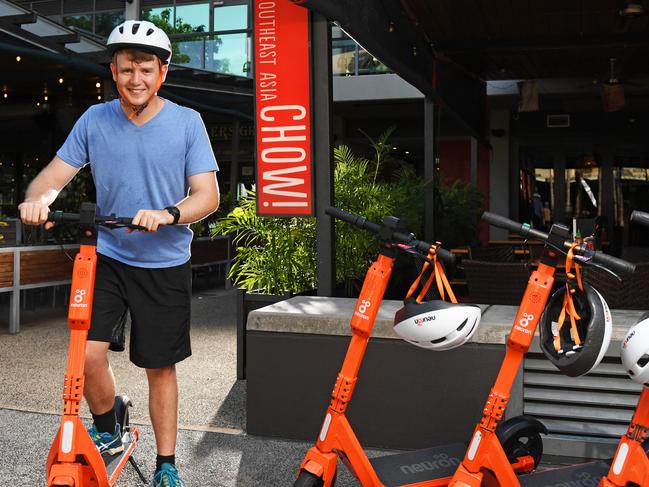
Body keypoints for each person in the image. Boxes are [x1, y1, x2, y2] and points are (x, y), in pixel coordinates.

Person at [18, 19, 219, 487]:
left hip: (164, 261)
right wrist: (37, 200)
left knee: (158, 366)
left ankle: (167, 464)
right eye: (127, 69)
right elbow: (52, 177)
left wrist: (169, 213)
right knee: (84, 356)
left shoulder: (188, 123)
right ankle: (110, 426)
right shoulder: (95, 119)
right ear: (113, 70)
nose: (136, 79)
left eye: (146, 69)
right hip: (106, 255)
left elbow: (206, 195)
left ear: (162, 73)